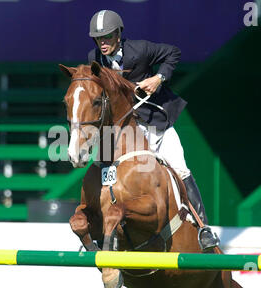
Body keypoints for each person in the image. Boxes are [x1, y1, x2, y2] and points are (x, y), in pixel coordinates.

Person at [87, 9, 219, 252]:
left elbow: (173, 53)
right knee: (99, 170)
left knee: (180, 168)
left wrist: (158, 77)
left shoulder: (141, 49)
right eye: (98, 38)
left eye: (106, 37)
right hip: (121, 129)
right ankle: (95, 230)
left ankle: (203, 227)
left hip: (154, 119)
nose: (102, 43)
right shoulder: (94, 58)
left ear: (118, 35)